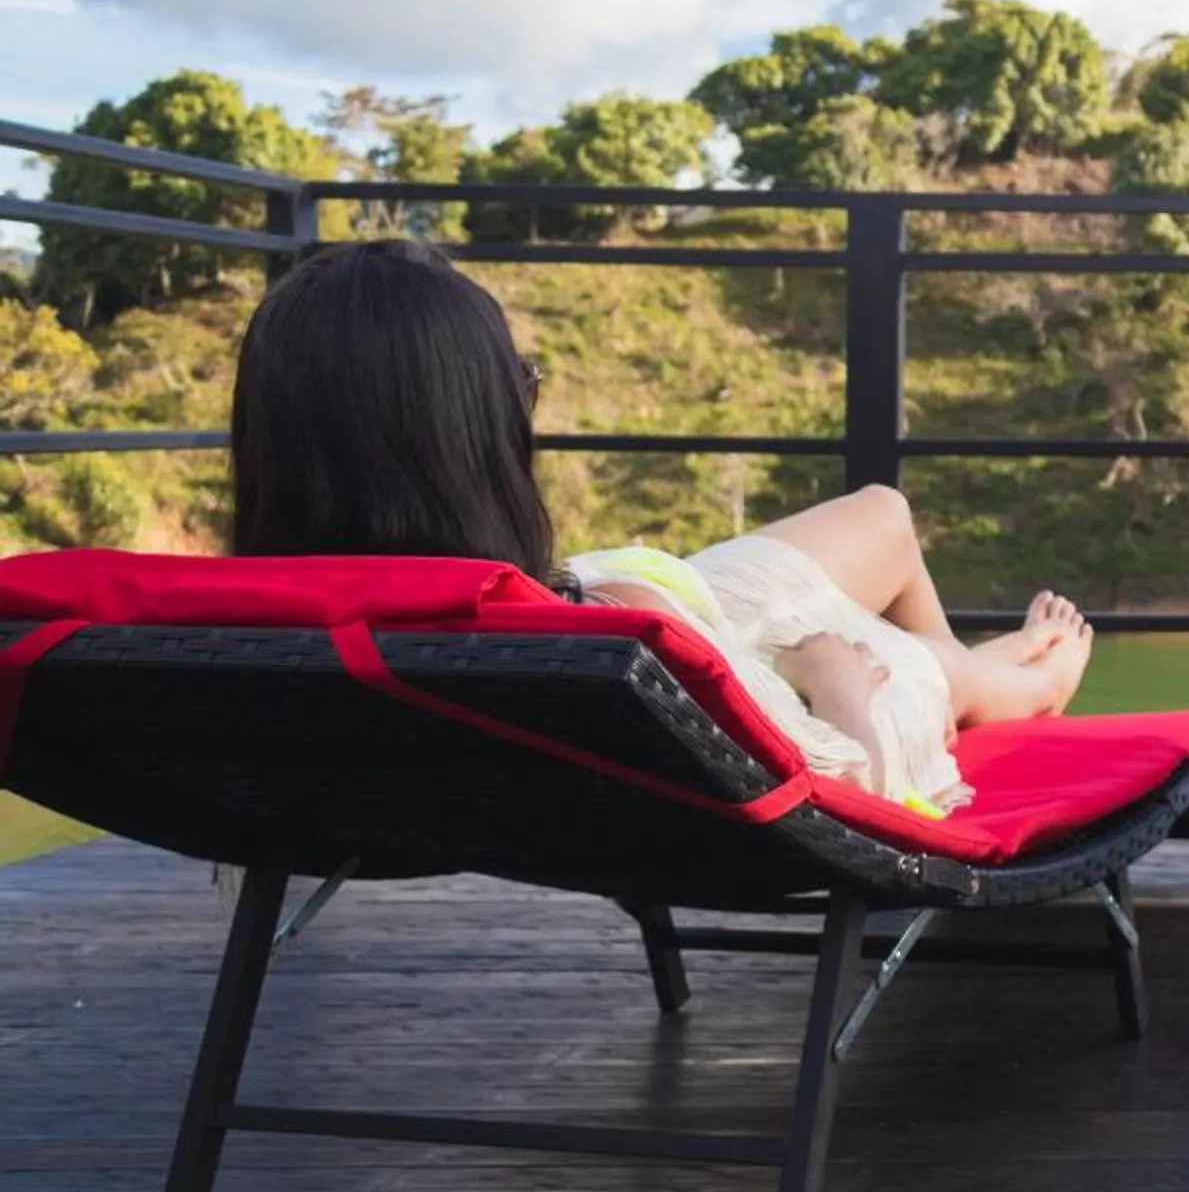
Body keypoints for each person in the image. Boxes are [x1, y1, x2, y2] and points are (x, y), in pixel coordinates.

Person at [228, 239, 1093, 816]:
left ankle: (966, 681)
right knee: (911, 659)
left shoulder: (240, 630)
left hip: (621, 599)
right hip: (683, 644)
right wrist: (838, 686)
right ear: (469, 438)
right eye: (517, 389)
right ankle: (995, 687)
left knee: (883, 515)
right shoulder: (604, 649)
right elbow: (841, 795)